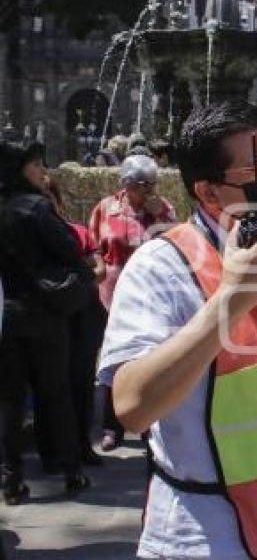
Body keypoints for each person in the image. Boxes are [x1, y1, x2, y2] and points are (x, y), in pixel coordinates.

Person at [98, 100, 257, 558]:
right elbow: (131, 407)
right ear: (209, 192)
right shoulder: (162, 267)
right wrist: (231, 302)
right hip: (206, 536)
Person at [0, 141, 93, 505]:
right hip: (43, 315)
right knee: (56, 392)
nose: (44, 172)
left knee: (9, 400)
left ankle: (11, 480)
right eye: (37, 165)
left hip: (6, 316)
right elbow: (70, 249)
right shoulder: (36, 208)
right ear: (20, 168)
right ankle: (70, 469)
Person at [89, 154, 176, 452]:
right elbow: (93, 245)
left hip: (149, 292)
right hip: (112, 293)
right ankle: (111, 427)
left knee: (148, 355)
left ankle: (150, 424)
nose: (149, 189)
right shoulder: (106, 207)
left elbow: (177, 243)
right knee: (114, 358)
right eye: (142, 184)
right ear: (125, 184)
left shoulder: (162, 208)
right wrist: (98, 268)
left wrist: (160, 215)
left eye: (153, 183)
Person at [37, 180, 108, 468]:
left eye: (49, 198)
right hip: (53, 315)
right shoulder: (31, 239)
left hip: (83, 313)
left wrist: (81, 283)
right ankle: (52, 450)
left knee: (81, 382)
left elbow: (100, 268)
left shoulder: (77, 232)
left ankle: (82, 445)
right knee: (51, 383)